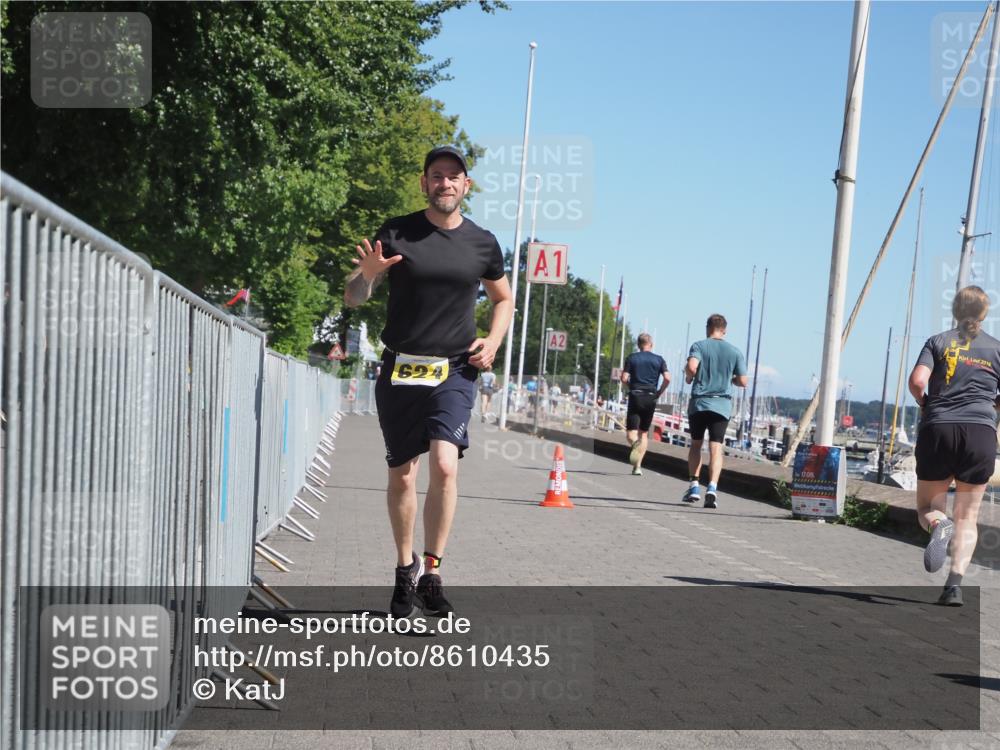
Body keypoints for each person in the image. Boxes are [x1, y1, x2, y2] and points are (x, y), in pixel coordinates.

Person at [343, 145, 514, 618]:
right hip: (399, 369)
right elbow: (354, 297)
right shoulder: (397, 231)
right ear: (424, 183)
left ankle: (433, 572)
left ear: (466, 186)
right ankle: (405, 569)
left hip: (454, 371)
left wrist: (493, 341)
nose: (445, 184)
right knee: (403, 474)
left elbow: (504, 299)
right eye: (436, 176)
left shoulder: (483, 242)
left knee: (444, 465)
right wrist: (370, 276)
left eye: (454, 177)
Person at [908, 285, 999, 607]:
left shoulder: (938, 341)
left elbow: (918, 381)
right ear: (984, 314)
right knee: (968, 517)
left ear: (955, 311)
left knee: (927, 508)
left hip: (939, 429)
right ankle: (954, 586)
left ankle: (938, 524)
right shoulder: (996, 349)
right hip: (980, 436)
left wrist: (925, 403)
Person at [683, 314, 749, 508]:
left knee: (696, 445)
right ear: (724, 330)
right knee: (716, 447)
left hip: (700, 404)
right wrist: (731, 380)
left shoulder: (699, 346)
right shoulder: (735, 351)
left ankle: (694, 485)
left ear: (707, 328)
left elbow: (692, 367)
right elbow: (743, 381)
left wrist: (688, 376)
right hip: (721, 405)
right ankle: (712, 487)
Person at [620, 333, 670, 476]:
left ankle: (634, 445)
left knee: (631, 434)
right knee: (643, 433)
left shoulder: (632, 358)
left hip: (636, 396)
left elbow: (624, 378)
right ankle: (638, 467)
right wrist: (659, 392)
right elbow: (667, 378)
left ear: (638, 345)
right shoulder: (659, 360)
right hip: (650, 398)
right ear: (651, 344)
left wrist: (630, 386)